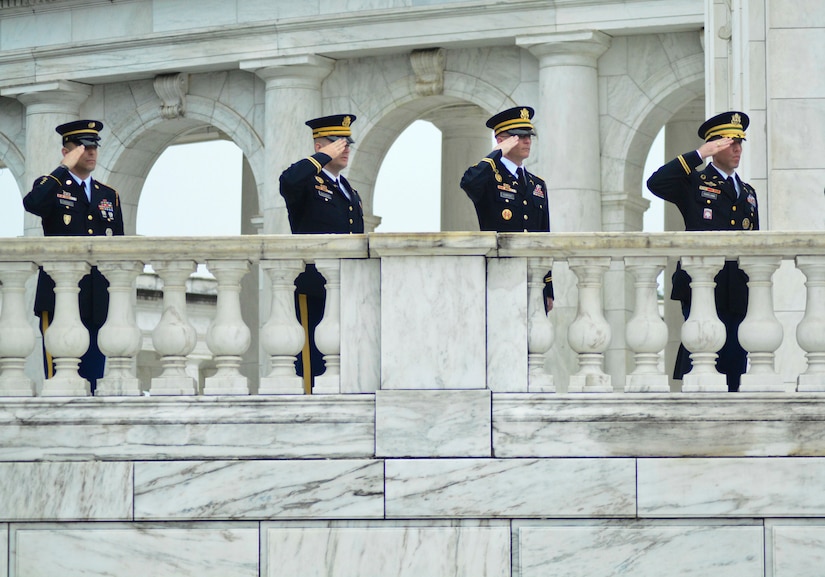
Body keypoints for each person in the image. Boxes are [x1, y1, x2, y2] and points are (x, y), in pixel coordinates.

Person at [646, 111, 759, 392]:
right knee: (702, 360)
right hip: (702, 285)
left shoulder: (748, 192)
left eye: (740, 143)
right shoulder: (694, 182)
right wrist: (699, 154)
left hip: (738, 289)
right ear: (714, 146)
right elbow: (656, 183)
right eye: (730, 143)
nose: (737, 149)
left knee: (735, 363)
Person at [23, 119, 124, 393]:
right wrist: (64, 168)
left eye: (93, 147)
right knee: (61, 382)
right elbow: (32, 203)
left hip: (97, 299)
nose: (90, 152)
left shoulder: (109, 196)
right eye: (82, 147)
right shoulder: (52, 186)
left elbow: (119, 249)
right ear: (67, 151)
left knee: (92, 380)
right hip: (59, 296)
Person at [279, 114, 364, 392]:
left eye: (347, 142)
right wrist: (321, 157)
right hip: (314, 283)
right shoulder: (306, 181)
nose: (345, 148)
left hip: (347, 282)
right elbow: (288, 181)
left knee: (345, 352)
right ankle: (309, 397)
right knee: (313, 354)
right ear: (320, 147)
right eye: (338, 142)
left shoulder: (348, 190)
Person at [460, 106, 553, 310]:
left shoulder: (537, 184)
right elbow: (468, 183)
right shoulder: (489, 177)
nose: (527, 141)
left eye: (529, 135)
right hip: (500, 274)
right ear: (502, 140)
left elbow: (544, 236)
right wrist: (496, 154)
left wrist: (548, 287)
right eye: (519, 136)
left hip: (533, 277)